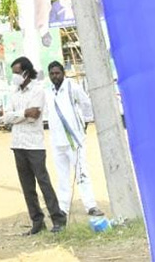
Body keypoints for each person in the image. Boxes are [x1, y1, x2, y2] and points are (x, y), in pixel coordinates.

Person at [3, 56, 66, 236]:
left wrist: (17, 116)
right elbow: (6, 117)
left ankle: (58, 219)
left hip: (34, 144)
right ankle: (37, 221)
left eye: (16, 72)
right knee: (27, 186)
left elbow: (35, 116)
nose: (14, 76)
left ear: (26, 72)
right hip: (17, 144)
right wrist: (23, 113)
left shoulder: (38, 91)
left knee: (43, 182)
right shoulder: (13, 92)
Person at [45, 61, 104, 219]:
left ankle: (90, 205)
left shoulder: (72, 87)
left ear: (63, 73)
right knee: (62, 177)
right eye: (52, 74)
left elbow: (86, 104)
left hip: (74, 140)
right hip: (57, 141)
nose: (55, 76)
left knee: (82, 174)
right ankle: (63, 208)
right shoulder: (48, 92)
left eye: (57, 73)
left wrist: (84, 123)